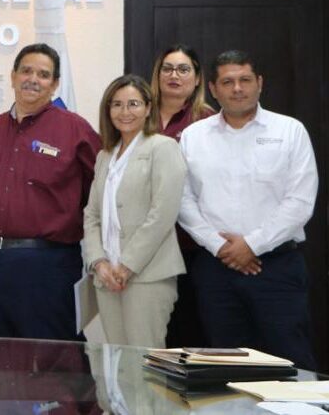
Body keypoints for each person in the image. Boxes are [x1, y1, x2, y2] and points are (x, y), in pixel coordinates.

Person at [179, 50, 318, 369]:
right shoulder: (193, 137)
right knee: (226, 365)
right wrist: (222, 247)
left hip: (277, 267)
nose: (237, 88)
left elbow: (299, 202)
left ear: (259, 83)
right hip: (216, 269)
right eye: (227, 82)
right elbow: (183, 201)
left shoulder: (289, 131)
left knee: (289, 360)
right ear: (213, 89)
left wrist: (251, 245)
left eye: (244, 80)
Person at [0, 43, 100, 340]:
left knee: (55, 360)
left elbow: (102, 191)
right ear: (13, 76)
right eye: (26, 71)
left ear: (55, 84)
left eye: (43, 75)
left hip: (46, 265)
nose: (33, 79)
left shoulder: (75, 130)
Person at [82, 74, 186, 348]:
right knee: (119, 366)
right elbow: (92, 215)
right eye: (116, 104)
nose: (124, 112)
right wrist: (98, 262)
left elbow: (162, 214)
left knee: (145, 367)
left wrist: (127, 265)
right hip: (107, 277)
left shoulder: (163, 147)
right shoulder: (106, 155)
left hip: (146, 276)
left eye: (133, 104)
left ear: (149, 107)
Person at [150, 44, 215, 348]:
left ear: (198, 78)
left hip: (191, 245)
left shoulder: (208, 120)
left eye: (183, 69)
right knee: (150, 337)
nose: (174, 75)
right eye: (167, 68)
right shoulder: (139, 114)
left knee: (189, 333)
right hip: (146, 246)